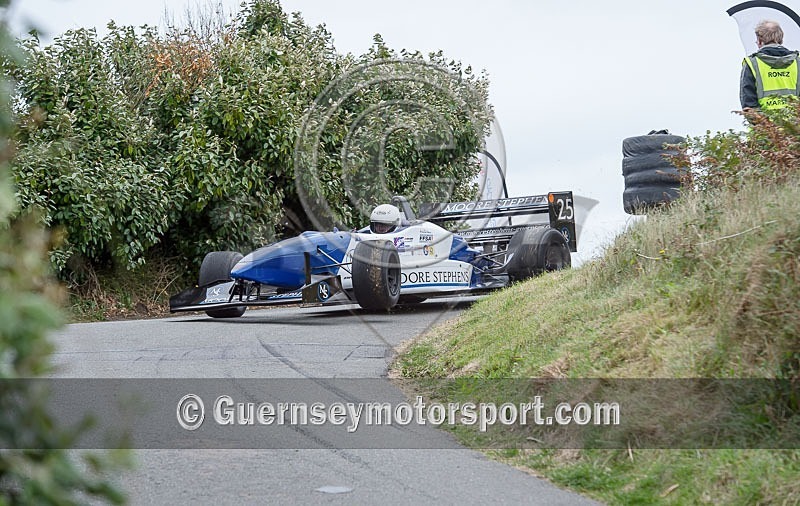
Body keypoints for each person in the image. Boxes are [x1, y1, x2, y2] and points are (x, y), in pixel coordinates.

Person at [740, 20, 800, 111]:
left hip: (764, 124)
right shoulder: (797, 61)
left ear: (760, 40)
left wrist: (765, 124)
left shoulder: (752, 63)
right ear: (781, 39)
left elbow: (748, 104)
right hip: (794, 124)